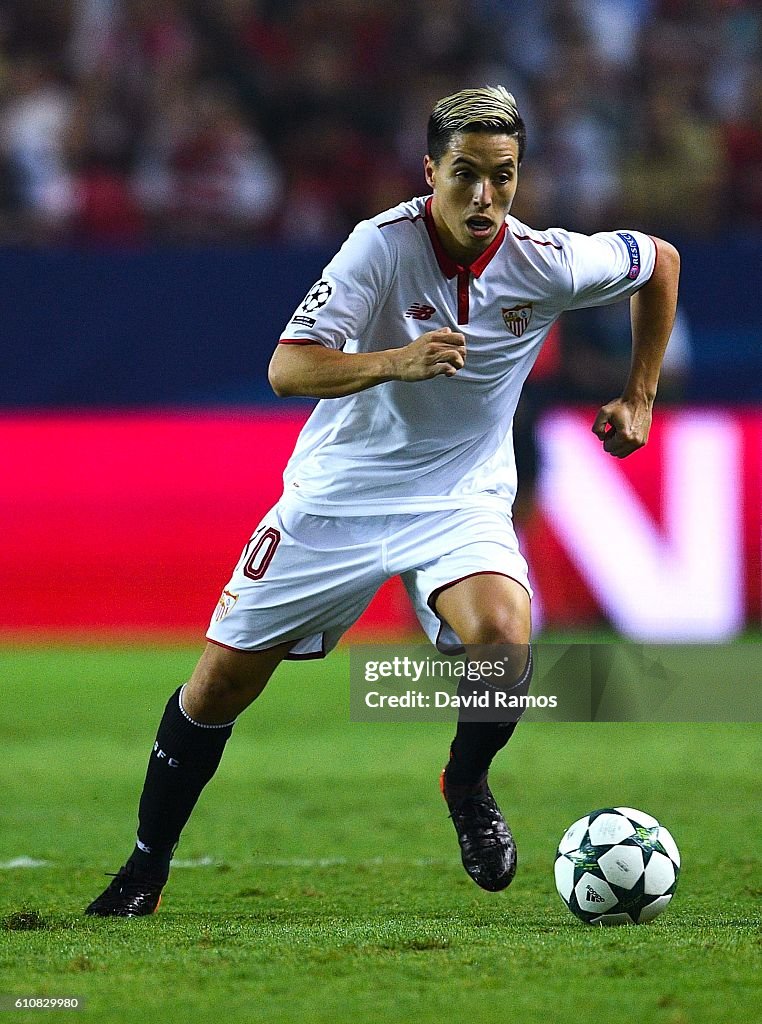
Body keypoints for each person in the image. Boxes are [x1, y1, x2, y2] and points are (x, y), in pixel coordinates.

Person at [86, 86, 680, 916]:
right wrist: (393, 361)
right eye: (466, 173)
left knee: (506, 640)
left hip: (460, 498)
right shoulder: (379, 248)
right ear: (431, 169)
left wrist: (640, 395)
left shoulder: (547, 260)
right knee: (218, 686)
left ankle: (466, 784)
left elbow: (659, 261)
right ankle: (145, 868)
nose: (484, 196)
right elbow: (287, 369)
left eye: (502, 176)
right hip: (340, 498)